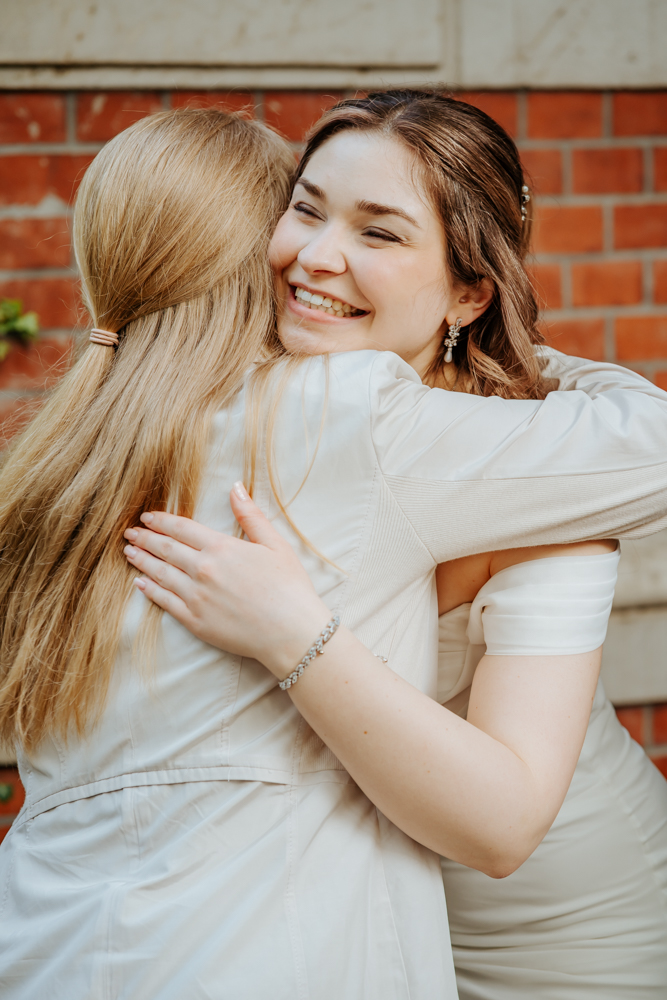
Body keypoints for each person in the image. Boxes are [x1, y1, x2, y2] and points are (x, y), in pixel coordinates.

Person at [1, 94, 667, 1000]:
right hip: (361, 901)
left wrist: (529, 361)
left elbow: (507, 824)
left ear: (469, 290)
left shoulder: (527, 466)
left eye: (380, 234)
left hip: (556, 927)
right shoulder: (238, 425)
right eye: (306, 209)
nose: (316, 255)